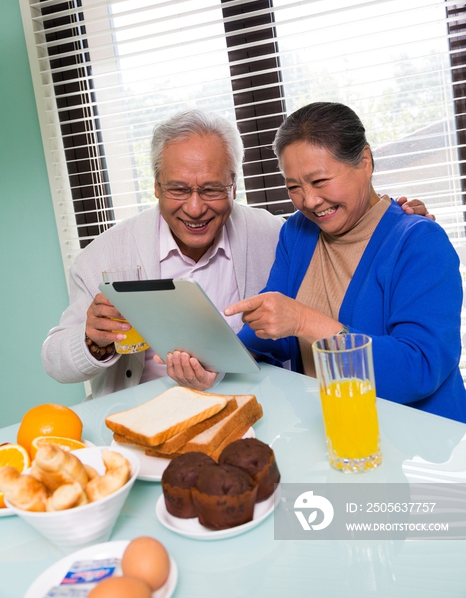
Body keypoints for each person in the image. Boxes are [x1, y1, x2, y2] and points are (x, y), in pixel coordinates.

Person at [42, 107, 435, 398]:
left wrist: (400, 219)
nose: (195, 208)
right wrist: (94, 340)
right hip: (142, 413)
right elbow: (55, 359)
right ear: (157, 187)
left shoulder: (276, 233)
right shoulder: (104, 255)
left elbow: (351, 230)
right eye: (178, 189)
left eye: (212, 189)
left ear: (234, 186)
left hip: (259, 410)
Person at [223, 102, 466, 422]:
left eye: (320, 181)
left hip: (414, 443)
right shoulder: (297, 232)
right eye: (294, 187)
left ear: (365, 161)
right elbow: (274, 332)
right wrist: (219, 359)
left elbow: (417, 369)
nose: (308, 201)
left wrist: (305, 322)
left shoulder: (420, 241)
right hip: (328, 431)